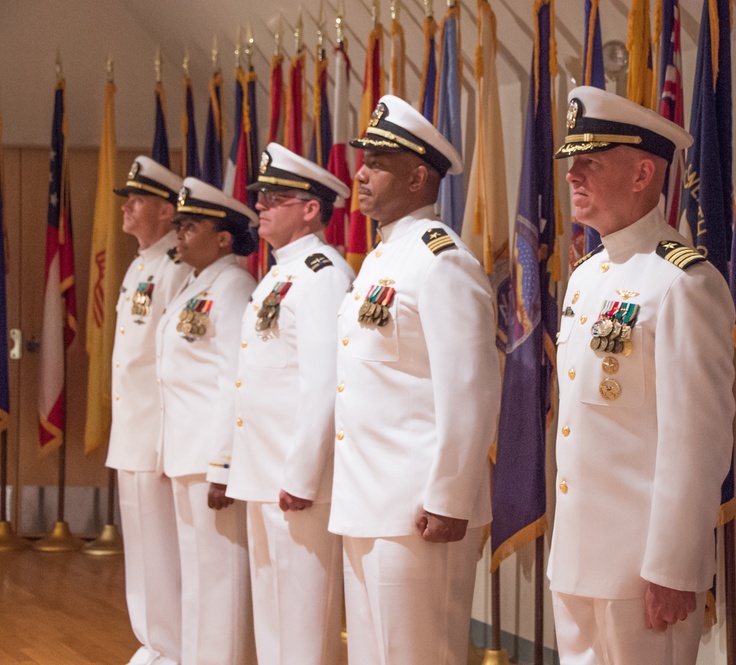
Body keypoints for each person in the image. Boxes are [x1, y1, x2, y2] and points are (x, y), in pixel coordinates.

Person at [547, 86, 736, 665]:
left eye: (591, 163)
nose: (573, 175)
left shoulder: (683, 282)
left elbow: (697, 439)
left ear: (642, 174)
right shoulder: (585, 277)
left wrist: (674, 566)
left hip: (640, 572)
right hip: (577, 557)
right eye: (572, 162)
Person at [328, 94, 501, 665]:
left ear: (418, 176)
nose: (361, 174)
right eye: (364, 162)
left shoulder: (442, 261)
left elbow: (470, 390)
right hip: (366, 499)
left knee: (417, 655)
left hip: (417, 509)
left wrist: (450, 497)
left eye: (377, 164)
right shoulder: (380, 261)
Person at [225, 142, 354, 664]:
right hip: (264, 473)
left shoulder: (323, 275)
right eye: (262, 195)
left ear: (310, 209)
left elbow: (324, 383)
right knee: (274, 620)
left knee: (302, 625)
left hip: (296, 481)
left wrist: (302, 477)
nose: (260, 205)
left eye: (275, 198)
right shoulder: (281, 274)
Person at [154, 178, 257, 664]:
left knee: (220, 579)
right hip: (186, 453)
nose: (179, 233)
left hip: (210, 458)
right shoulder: (196, 283)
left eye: (190, 226)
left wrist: (224, 464)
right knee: (197, 576)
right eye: (179, 225)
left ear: (223, 238)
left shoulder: (233, 286)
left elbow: (233, 379)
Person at [107, 156, 191, 665]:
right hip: (131, 432)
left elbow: (173, 363)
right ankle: (152, 642)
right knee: (139, 549)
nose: (127, 208)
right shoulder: (140, 265)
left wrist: (166, 442)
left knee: (163, 551)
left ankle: (174, 647)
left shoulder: (176, 268)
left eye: (137, 200)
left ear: (166, 211)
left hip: (156, 437)